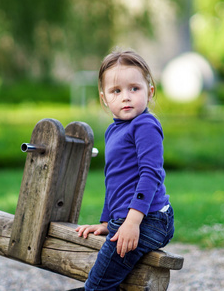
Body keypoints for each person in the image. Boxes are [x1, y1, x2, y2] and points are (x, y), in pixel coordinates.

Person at [75, 48, 174, 290]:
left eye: (134, 88)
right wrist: (107, 222)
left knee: (97, 286)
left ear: (149, 92)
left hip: (149, 219)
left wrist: (132, 222)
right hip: (128, 219)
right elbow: (115, 180)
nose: (126, 97)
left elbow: (150, 174)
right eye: (116, 91)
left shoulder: (145, 125)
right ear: (104, 98)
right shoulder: (113, 130)